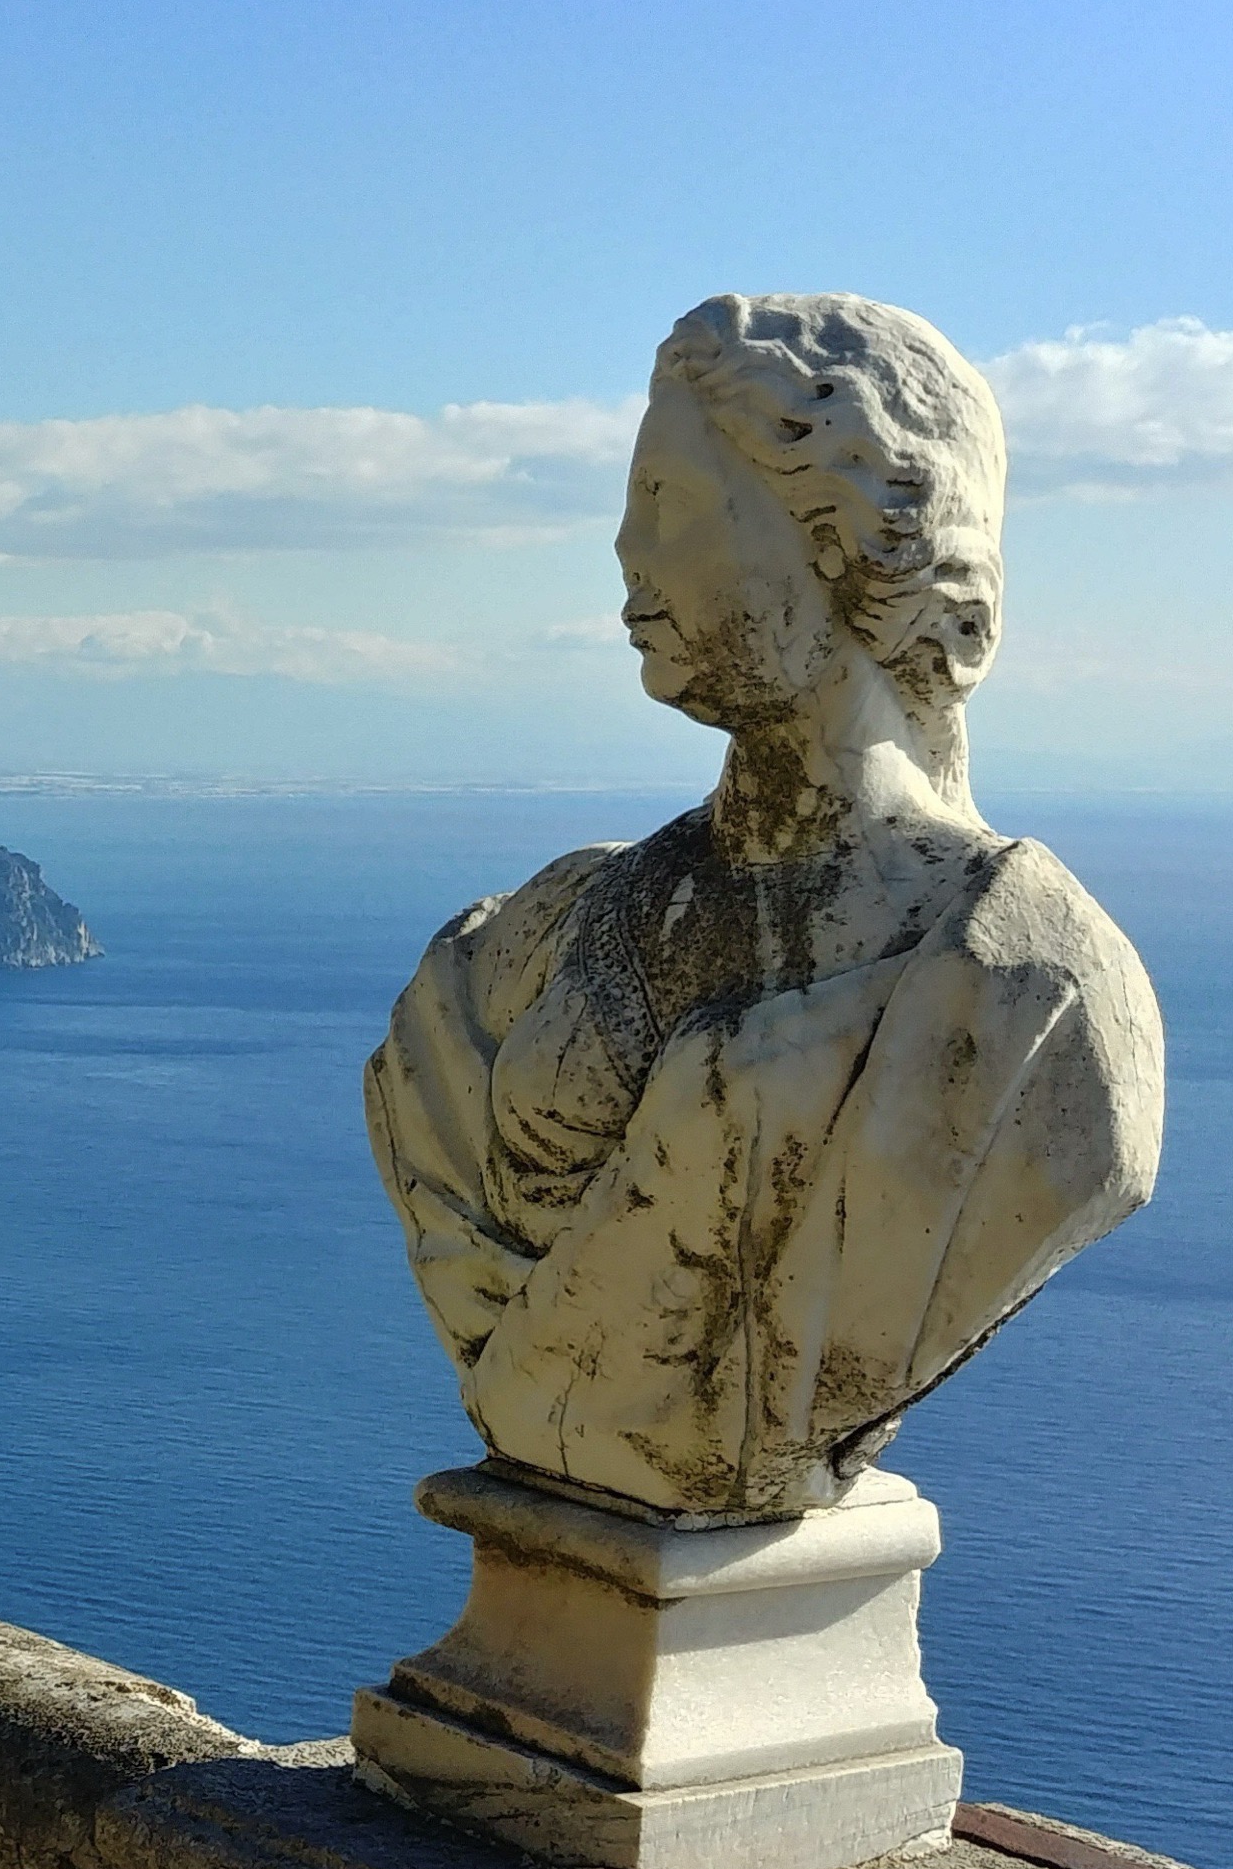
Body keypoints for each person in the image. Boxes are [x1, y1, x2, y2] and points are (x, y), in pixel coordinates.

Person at [364, 293, 1164, 1517]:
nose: (626, 552)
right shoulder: (530, 940)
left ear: (856, 536)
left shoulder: (1023, 996)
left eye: (667, 502)